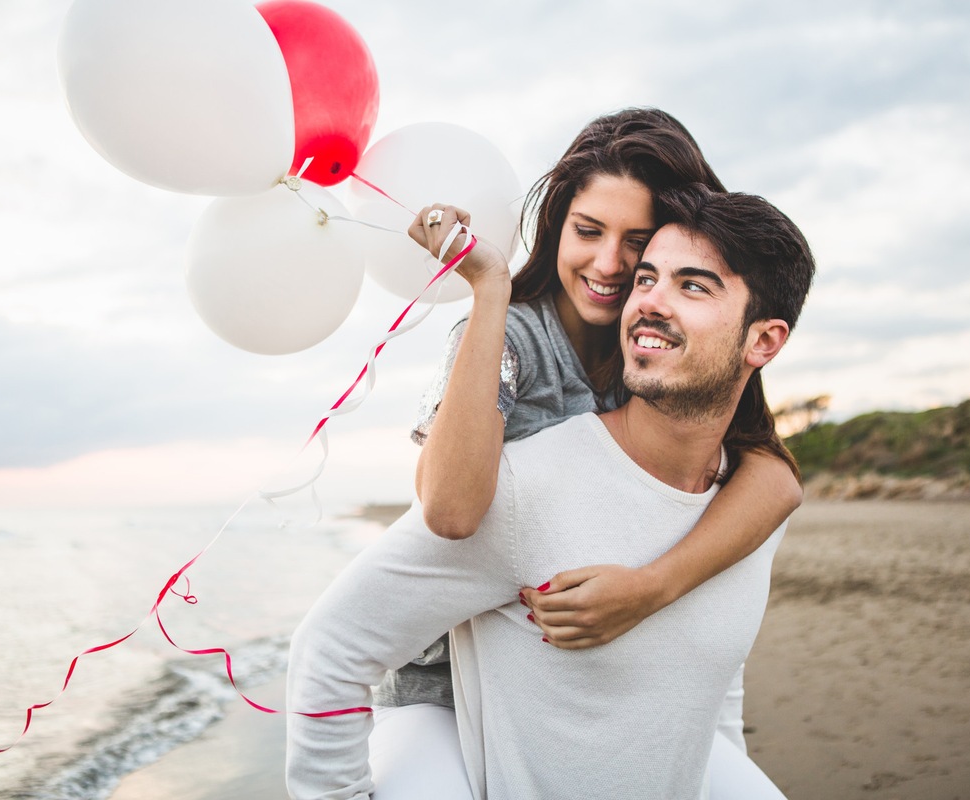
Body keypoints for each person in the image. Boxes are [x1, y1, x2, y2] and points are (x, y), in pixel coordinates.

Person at [286, 184, 816, 799]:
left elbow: (712, 680)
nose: (646, 299)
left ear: (764, 341)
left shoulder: (749, 500)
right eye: (647, 279)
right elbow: (331, 648)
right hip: (428, 701)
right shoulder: (523, 476)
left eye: (692, 286)